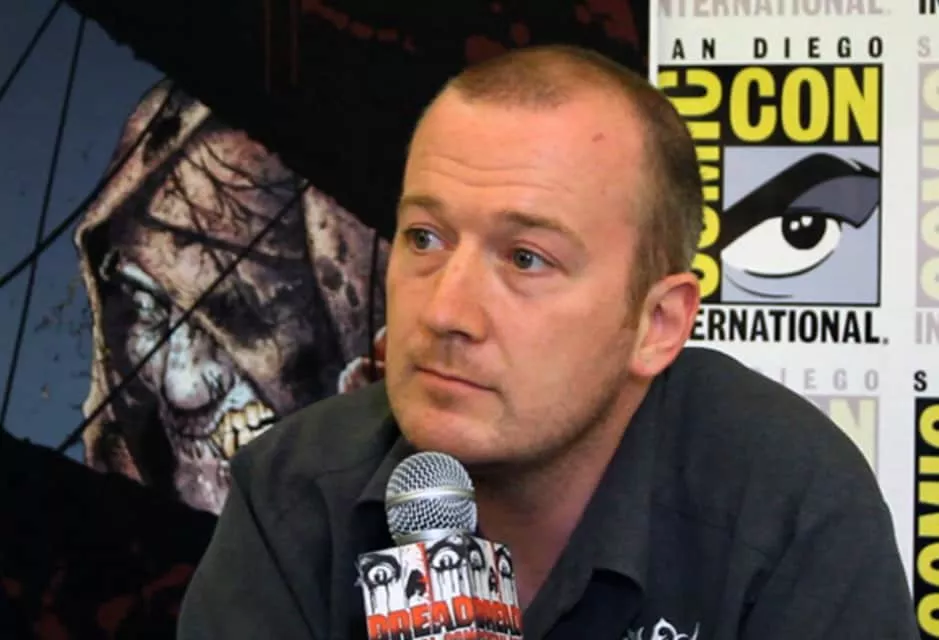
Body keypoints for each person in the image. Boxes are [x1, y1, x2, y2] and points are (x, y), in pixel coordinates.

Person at [177, 44, 918, 639]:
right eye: (425, 238)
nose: (445, 312)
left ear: (657, 324)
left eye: (527, 259)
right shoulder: (296, 492)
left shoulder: (786, 505)